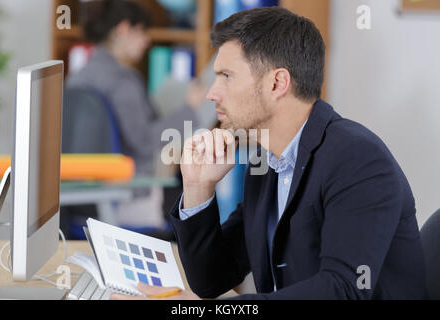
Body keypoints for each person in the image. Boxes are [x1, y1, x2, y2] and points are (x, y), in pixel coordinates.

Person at [112, 7, 426, 300]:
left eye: (226, 76)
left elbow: (343, 288)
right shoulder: (268, 164)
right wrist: (197, 188)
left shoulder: (357, 159)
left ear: (277, 83)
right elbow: (212, 279)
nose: (211, 93)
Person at [66, 0, 206, 177]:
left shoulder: (77, 77)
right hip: (129, 187)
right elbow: (145, 142)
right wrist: (190, 109)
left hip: (83, 182)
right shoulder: (123, 81)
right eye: (142, 32)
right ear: (123, 29)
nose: (146, 42)